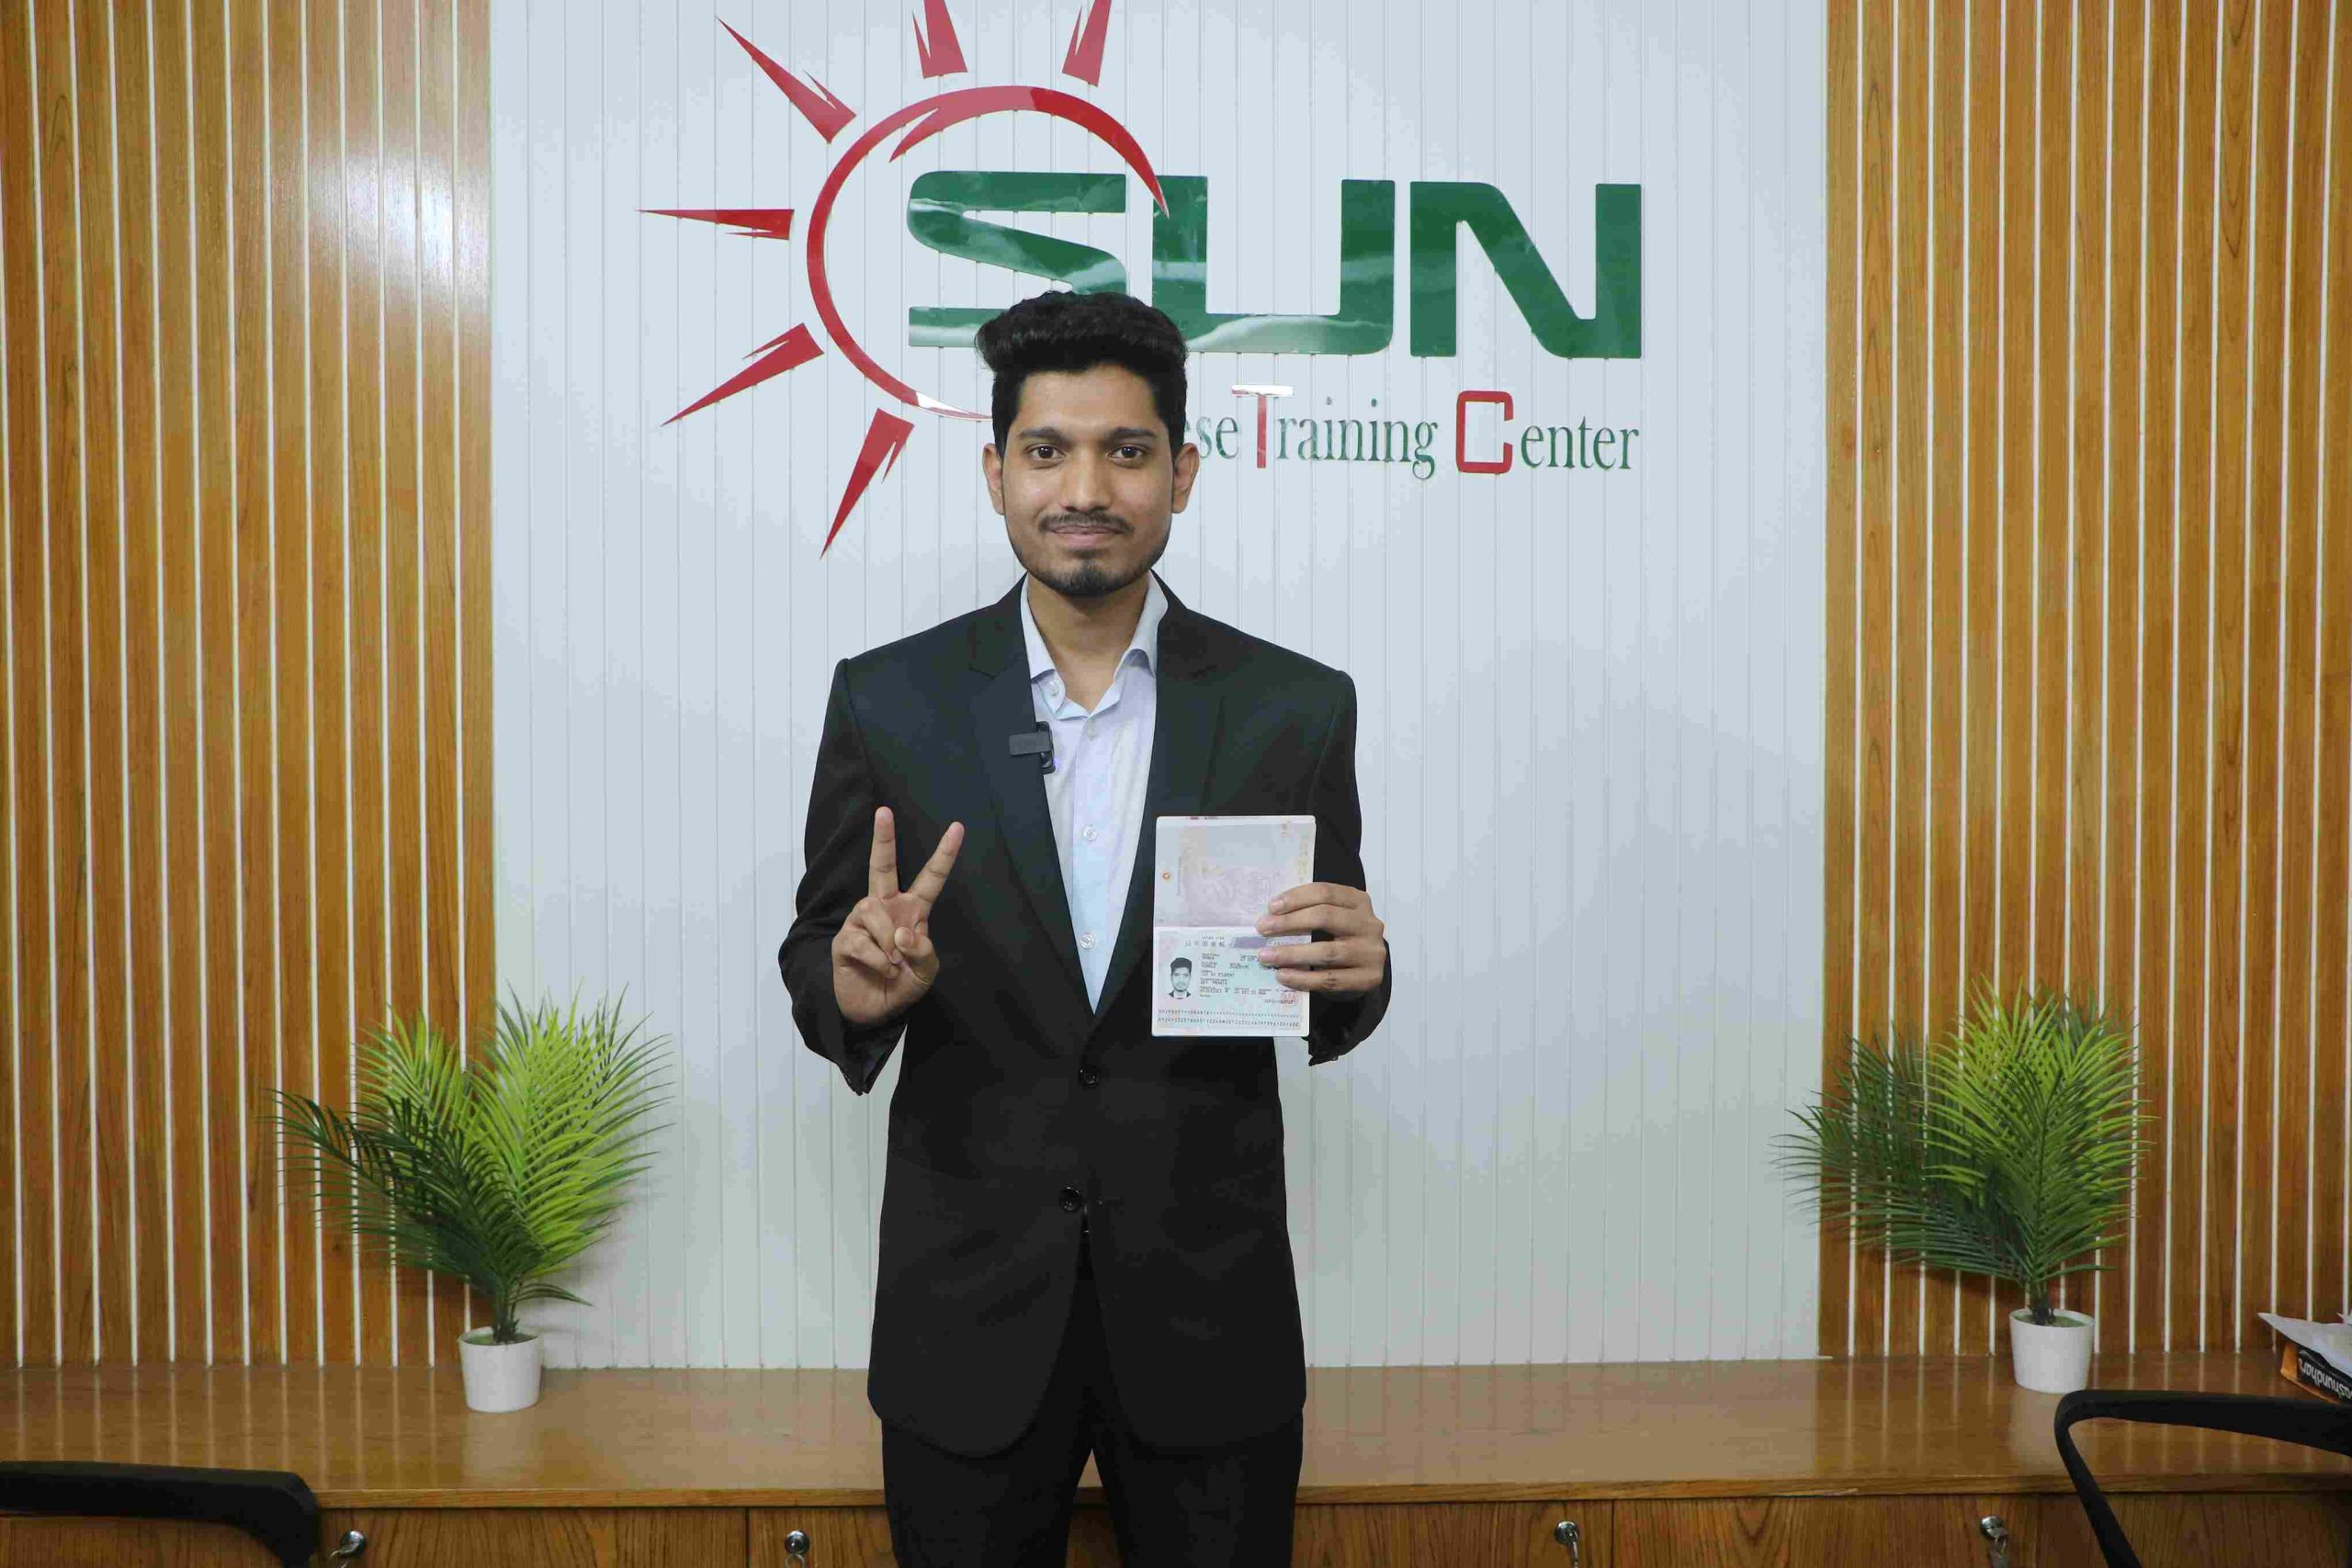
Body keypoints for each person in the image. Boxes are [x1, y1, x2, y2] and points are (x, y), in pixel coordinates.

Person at [778, 288, 1393, 1567]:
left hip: (1210, 1317)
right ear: (995, 472)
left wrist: (1360, 976)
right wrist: (854, 989)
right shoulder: (891, 701)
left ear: (1184, 474)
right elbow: (819, 950)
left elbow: (1325, 963)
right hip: (968, 1319)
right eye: (1047, 451)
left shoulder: (1293, 708)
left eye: (1127, 451)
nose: (1086, 489)